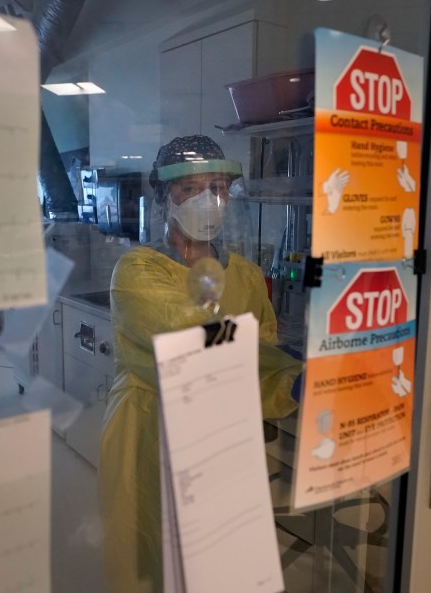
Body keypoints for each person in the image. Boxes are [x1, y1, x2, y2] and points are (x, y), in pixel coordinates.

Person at [98, 135, 302, 592]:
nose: (208, 200)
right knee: (152, 557)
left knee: (218, 558)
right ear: (164, 196)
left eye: (218, 187)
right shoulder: (137, 271)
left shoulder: (246, 275)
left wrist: (287, 382)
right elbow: (185, 337)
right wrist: (267, 358)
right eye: (190, 189)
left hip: (222, 432)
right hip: (150, 430)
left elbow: (258, 356)